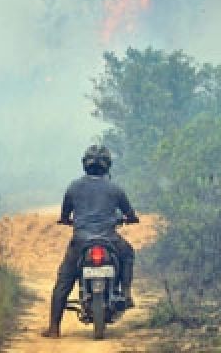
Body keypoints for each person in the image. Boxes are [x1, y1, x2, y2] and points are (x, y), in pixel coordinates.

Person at [40, 144, 139, 339]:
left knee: (64, 281)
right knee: (128, 253)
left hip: (81, 242)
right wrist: (130, 218)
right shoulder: (115, 189)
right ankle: (126, 292)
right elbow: (130, 213)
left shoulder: (73, 187)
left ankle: (54, 328)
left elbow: (64, 215)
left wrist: (67, 221)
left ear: (85, 164)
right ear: (107, 166)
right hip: (110, 239)